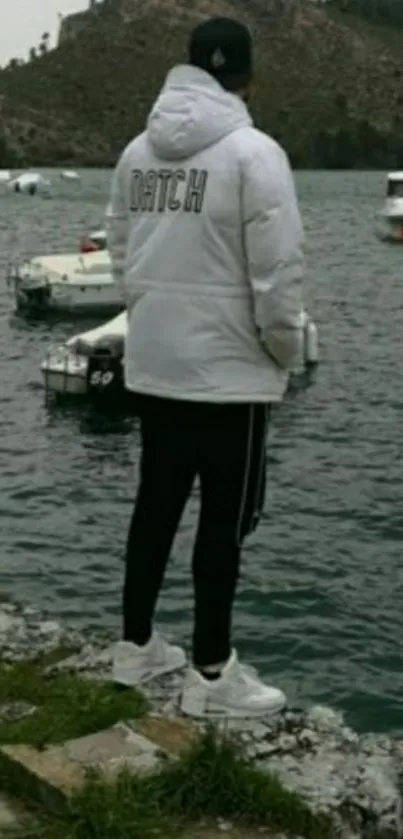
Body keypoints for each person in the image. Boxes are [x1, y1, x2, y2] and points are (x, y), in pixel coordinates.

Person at [106, 16, 305, 718]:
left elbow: (121, 253)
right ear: (245, 77)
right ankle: (213, 674)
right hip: (230, 375)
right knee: (225, 521)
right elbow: (277, 278)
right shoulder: (255, 153)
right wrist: (282, 352)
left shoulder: (137, 152)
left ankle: (133, 648)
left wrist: (154, 321)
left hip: (157, 366)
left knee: (153, 508)